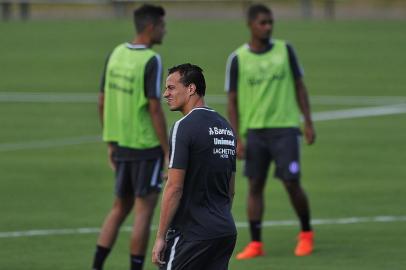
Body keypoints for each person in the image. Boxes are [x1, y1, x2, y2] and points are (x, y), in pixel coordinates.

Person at [225, 3, 316, 259]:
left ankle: (306, 233)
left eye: (270, 22)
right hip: (254, 132)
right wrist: (236, 137)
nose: (267, 27)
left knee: (291, 182)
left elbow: (300, 87)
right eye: (262, 23)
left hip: (285, 129)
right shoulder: (238, 59)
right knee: (255, 185)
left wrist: (307, 122)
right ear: (250, 25)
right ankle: (256, 243)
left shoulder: (285, 50)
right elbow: (231, 100)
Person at [92, 4, 168, 270]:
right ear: (150, 27)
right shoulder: (151, 60)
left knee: (118, 208)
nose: (165, 31)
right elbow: (155, 107)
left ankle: (96, 266)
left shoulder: (116, 53)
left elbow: (102, 100)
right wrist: (167, 149)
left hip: (121, 143)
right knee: (143, 212)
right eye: (162, 26)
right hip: (145, 146)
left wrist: (110, 141)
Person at [152, 64, 237, 270]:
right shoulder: (225, 127)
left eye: (171, 88)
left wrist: (161, 237)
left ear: (191, 89)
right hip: (224, 231)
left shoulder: (184, 126)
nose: (165, 94)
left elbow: (174, 188)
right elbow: (230, 189)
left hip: (191, 235)